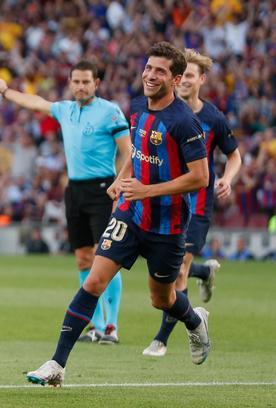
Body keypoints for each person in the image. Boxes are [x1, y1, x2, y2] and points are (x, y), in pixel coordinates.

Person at [25, 42, 211, 387]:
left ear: (176, 78)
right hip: (130, 213)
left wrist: (147, 190)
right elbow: (138, 152)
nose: (150, 75)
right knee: (94, 280)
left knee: (162, 299)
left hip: (166, 226)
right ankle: (56, 364)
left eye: (159, 71)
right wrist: (122, 179)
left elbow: (201, 177)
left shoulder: (185, 123)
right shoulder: (139, 108)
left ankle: (194, 320)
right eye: (148, 67)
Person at [0, 60, 131, 344]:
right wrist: (6, 92)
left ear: (96, 83)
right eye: (76, 81)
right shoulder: (65, 109)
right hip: (74, 190)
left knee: (106, 258)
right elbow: (36, 102)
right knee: (82, 257)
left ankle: (111, 327)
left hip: (103, 188)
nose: (80, 86)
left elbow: (129, 152)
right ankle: (95, 325)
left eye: (85, 82)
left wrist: (120, 186)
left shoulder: (110, 112)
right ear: (70, 82)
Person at [143, 49, 241, 357]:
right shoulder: (160, 111)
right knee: (163, 270)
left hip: (196, 206)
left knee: (178, 273)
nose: (184, 80)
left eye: (189, 75)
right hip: (161, 205)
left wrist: (227, 178)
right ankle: (204, 271)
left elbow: (234, 155)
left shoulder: (212, 118)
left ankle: (162, 339)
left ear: (201, 79)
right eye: (181, 75)